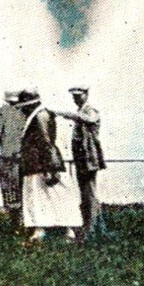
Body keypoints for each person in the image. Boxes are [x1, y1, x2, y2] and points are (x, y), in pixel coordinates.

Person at [16, 89, 82, 241]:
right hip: (35, 164)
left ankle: (67, 229)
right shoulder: (38, 115)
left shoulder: (41, 116)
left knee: (55, 195)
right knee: (38, 197)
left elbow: (47, 142)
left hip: (42, 163)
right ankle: (41, 228)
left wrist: (50, 167)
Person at [50, 85, 107, 242]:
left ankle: (89, 232)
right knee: (87, 194)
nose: (76, 99)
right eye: (74, 96)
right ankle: (96, 230)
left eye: (78, 95)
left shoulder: (90, 110)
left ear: (86, 94)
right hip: (82, 159)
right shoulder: (82, 111)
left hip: (89, 158)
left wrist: (62, 113)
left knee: (89, 194)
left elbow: (85, 118)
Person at [0, 88, 24, 219]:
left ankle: (14, 220)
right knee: (23, 187)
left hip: (7, 156)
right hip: (22, 156)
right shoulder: (25, 112)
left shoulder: (3, 111)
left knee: (9, 188)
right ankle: (24, 220)